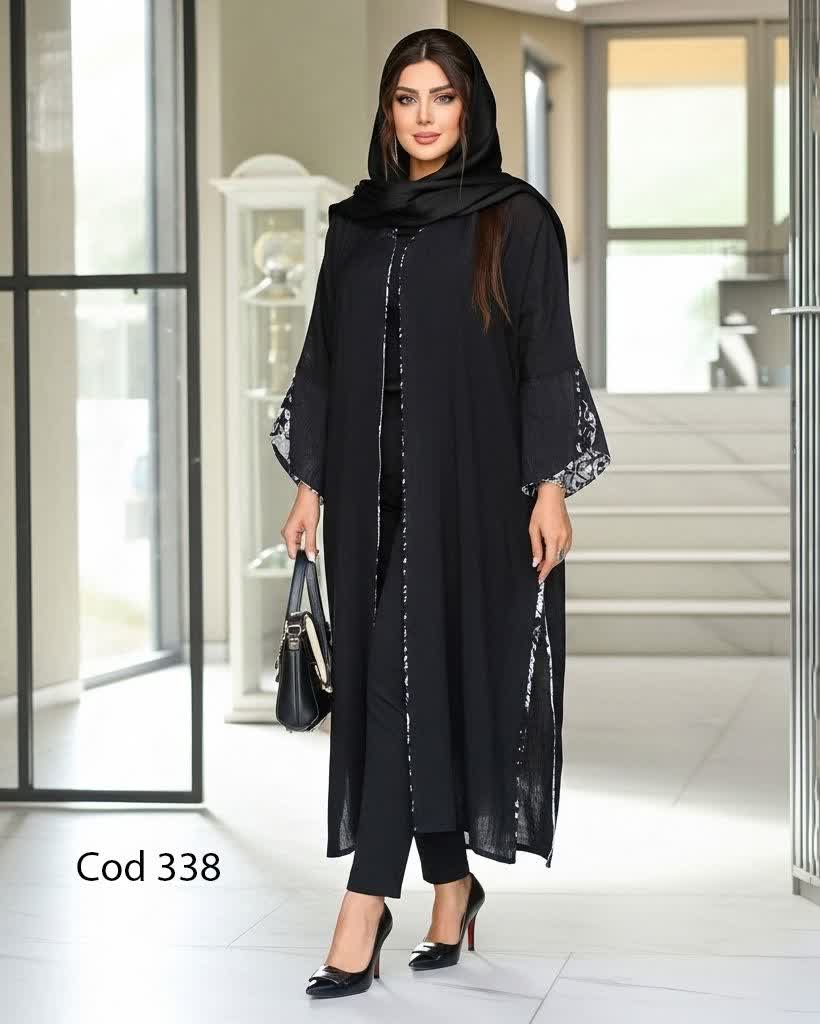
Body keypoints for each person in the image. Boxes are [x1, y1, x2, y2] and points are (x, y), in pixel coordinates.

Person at [270, 27, 611, 999]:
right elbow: (324, 359)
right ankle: (450, 885)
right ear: (387, 112)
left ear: (471, 108)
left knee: (412, 684)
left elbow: (546, 357)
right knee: (392, 684)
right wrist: (308, 485)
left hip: (472, 491)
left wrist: (550, 485)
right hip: (367, 491)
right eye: (406, 98)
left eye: (442, 97)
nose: (424, 117)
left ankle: (364, 906)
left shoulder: (516, 218)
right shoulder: (356, 224)